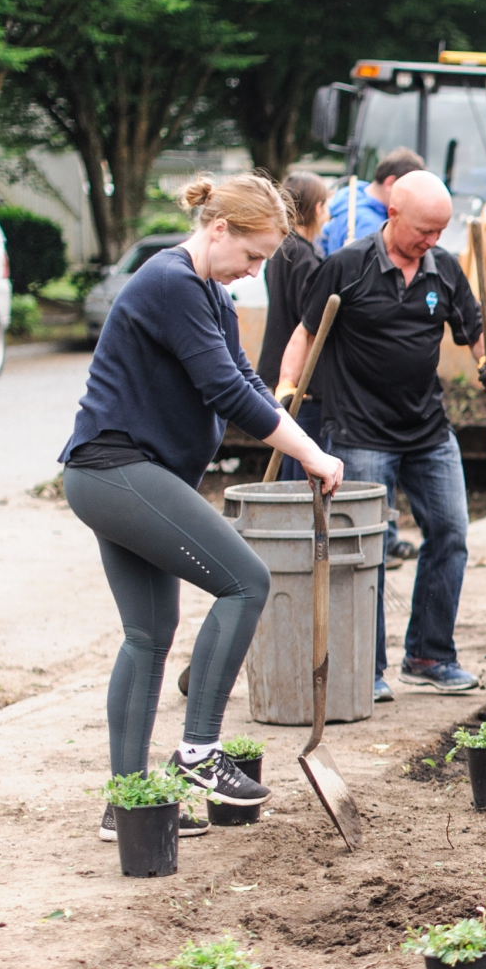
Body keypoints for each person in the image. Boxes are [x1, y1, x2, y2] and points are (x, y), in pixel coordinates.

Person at [60, 175, 346, 841]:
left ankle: (127, 806)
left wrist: (286, 413)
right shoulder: (170, 283)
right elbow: (224, 391)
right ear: (219, 230)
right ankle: (197, 752)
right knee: (247, 581)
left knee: (148, 635)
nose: (255, 273)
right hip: (115, 471)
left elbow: (244, 378)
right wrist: (311, 455)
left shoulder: (207, 293)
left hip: (131, 476)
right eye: (253, 256)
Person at [307, 170, 486, 700]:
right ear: (392, 214)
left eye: (440, 232)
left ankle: (428, 655)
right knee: (365, 548)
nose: (431, 242)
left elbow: (475, 332)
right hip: (358, 431)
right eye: (424, 230)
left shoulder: (444, 268)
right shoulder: (346, 266)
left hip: (427, 430)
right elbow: (308, 333)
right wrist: (287, 384)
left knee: (451, 533)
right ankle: (365, 669)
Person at [259, 171, 331, 482]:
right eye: (326, 205)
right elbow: (312, 322)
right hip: (303, 378)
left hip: (278, 368)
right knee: (303, 464)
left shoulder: (280, 251)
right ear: (316, 209)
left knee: (291, 451)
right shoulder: (307, 258)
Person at [317, 147, 425, 254]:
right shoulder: (369, 225)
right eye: (410, 190)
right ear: (390, 183)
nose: (413, 198)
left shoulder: (349, 197)